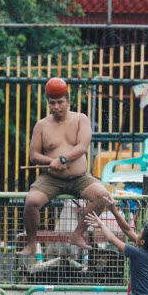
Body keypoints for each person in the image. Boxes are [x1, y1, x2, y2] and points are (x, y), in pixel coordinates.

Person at [18, 77, 110, 256]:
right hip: (51, 178)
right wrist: (50, 162)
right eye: (52, 103)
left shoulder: (80, 119)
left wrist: (62, 159)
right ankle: (31, 243)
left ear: (68, 101)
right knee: (31, 202)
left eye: (60, 102)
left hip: (80, 177)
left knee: (103, 197)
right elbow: (34, 155)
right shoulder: (42, 125)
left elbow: (82, 147)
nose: (56, 106)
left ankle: (77, 234)